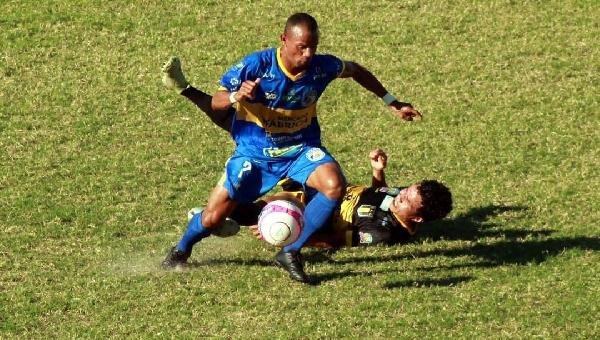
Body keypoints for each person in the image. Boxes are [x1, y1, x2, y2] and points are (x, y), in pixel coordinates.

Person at [160, 12, 422, 283]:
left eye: (313, 47)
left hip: (300, 149)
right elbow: (217, 102)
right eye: (301, 47)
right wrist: (238, 95)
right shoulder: (258, 65)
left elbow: (355, 70)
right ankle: (181, 251)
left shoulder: (322, 67)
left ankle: (291, 252)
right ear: (284, 39)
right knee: (212, 218)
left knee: (333, 185)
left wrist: (391, 101)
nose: (308, 54)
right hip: (255, 152)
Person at [238, 148, 453, 248]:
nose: (400, 196)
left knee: (279, 206)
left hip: (317, 214)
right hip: (325, 191)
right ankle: (233, 216)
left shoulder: (383, 233)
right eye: (405, 191)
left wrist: (292, 236)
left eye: (406, 201)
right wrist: (378, 172)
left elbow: (333, 242)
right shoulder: (402, 198)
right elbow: (379, 195)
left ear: (417, 219)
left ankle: (225, 218)